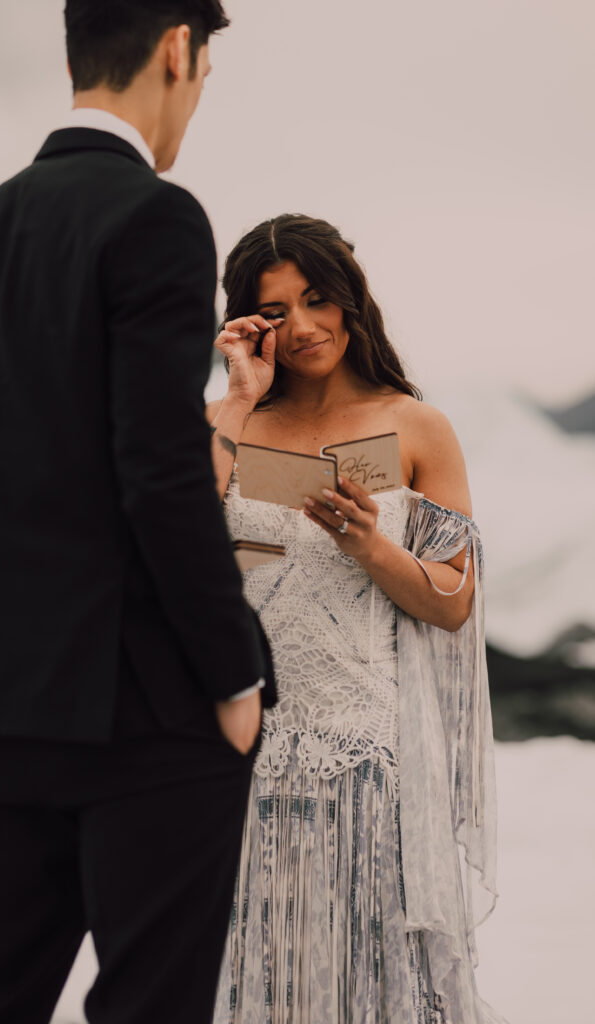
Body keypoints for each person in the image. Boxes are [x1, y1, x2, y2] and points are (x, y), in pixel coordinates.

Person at [0, 3, 276, 1023]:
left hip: (6, 696)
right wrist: (232, 667)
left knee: (0, 984)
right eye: (202, 75)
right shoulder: (155, 217)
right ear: (176, 49)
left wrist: (39, 531)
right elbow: (155, 470)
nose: (193, 104)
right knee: (151, 1002)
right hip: (149, 704)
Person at [207, 215, 506, 1024]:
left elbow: (454, 602)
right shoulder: (229, 426)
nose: (301, 326)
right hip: (243, 761)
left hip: (372, 763)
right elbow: (183, 554)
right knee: (258, 975)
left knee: (366, 985)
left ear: (348, 299)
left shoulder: (410, 427)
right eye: (274, 311)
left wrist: (374, 546)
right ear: (247, 323)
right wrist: (236, 397)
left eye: (316, 299)